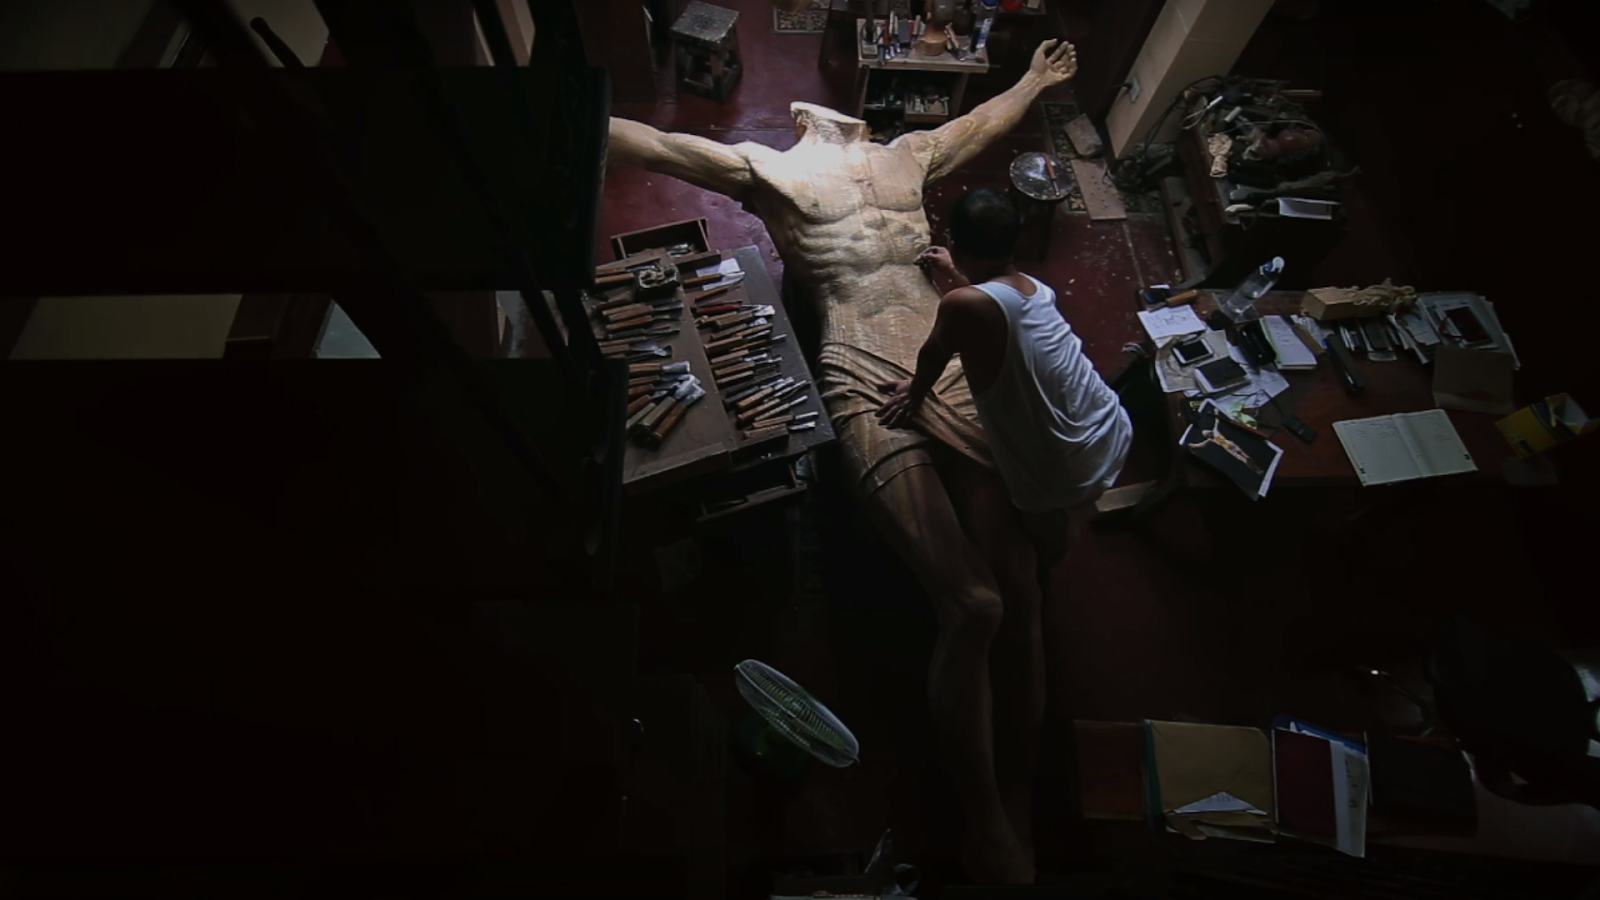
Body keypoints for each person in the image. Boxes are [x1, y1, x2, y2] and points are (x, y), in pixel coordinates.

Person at [606, 40, 1079, 883]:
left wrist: (1036, 80)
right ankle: (987, 823)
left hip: (945, 354)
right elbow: (659, 144)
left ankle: (1023, 796)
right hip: (859, 362)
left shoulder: (910, 153)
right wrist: (572, 114)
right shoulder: (770, 168)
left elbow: (981, 121)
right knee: (972, 603)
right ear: (800, 118)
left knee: (1023, 588)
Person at [876, 188, 1132, 563]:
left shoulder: (960, 304)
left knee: (1044, 529)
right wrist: (955, 271)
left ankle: (1052, 554)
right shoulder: (1037, 289)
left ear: (954, 243)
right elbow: (992, 304)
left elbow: (935, 352)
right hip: (1108, 428)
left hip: (1069, 473)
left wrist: (915, 392)